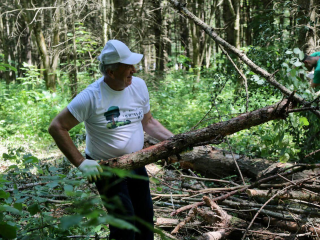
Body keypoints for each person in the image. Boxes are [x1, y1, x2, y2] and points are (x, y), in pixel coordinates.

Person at [48, 39, 173, 240]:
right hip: (106, 167)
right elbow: (57, 127)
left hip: (137, 162)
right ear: (111, 72)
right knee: (124, 224)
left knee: (144, 218)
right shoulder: (91, 97)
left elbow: (148, 122)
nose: (134, 70)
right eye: (128, 66)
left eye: (133, 65)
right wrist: (81, 163)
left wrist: (177, 141)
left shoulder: (138, 86)